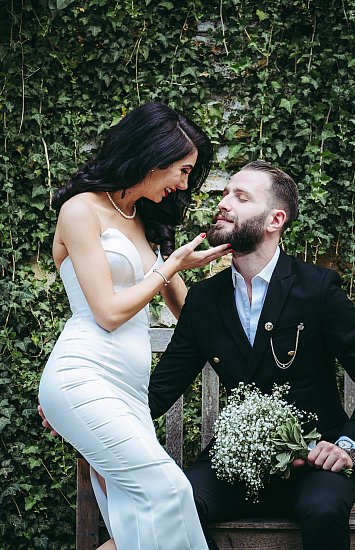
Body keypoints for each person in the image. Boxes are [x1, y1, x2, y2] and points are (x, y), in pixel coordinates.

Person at [38, 102, 231, 550]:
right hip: (82, 376)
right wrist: (167, 269)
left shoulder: (145, 224)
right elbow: (106, 311)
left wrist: (201, 267)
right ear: (152, 156)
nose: (184, 184)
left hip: (128, 391)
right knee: (169, 491)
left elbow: (188, 315)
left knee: (137, 524)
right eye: (182, 171)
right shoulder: (80, 210)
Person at [148, 160, 355, 550]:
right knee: (178, 506)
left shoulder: (317, 288)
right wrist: (88, 411)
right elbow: (161, 389)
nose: (224, 202)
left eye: (241, 196)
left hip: (316, 463)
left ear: (274, 220)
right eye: (226, 193)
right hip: (235, 463)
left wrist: (347, 446)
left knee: (324, 511)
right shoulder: (204, 299)